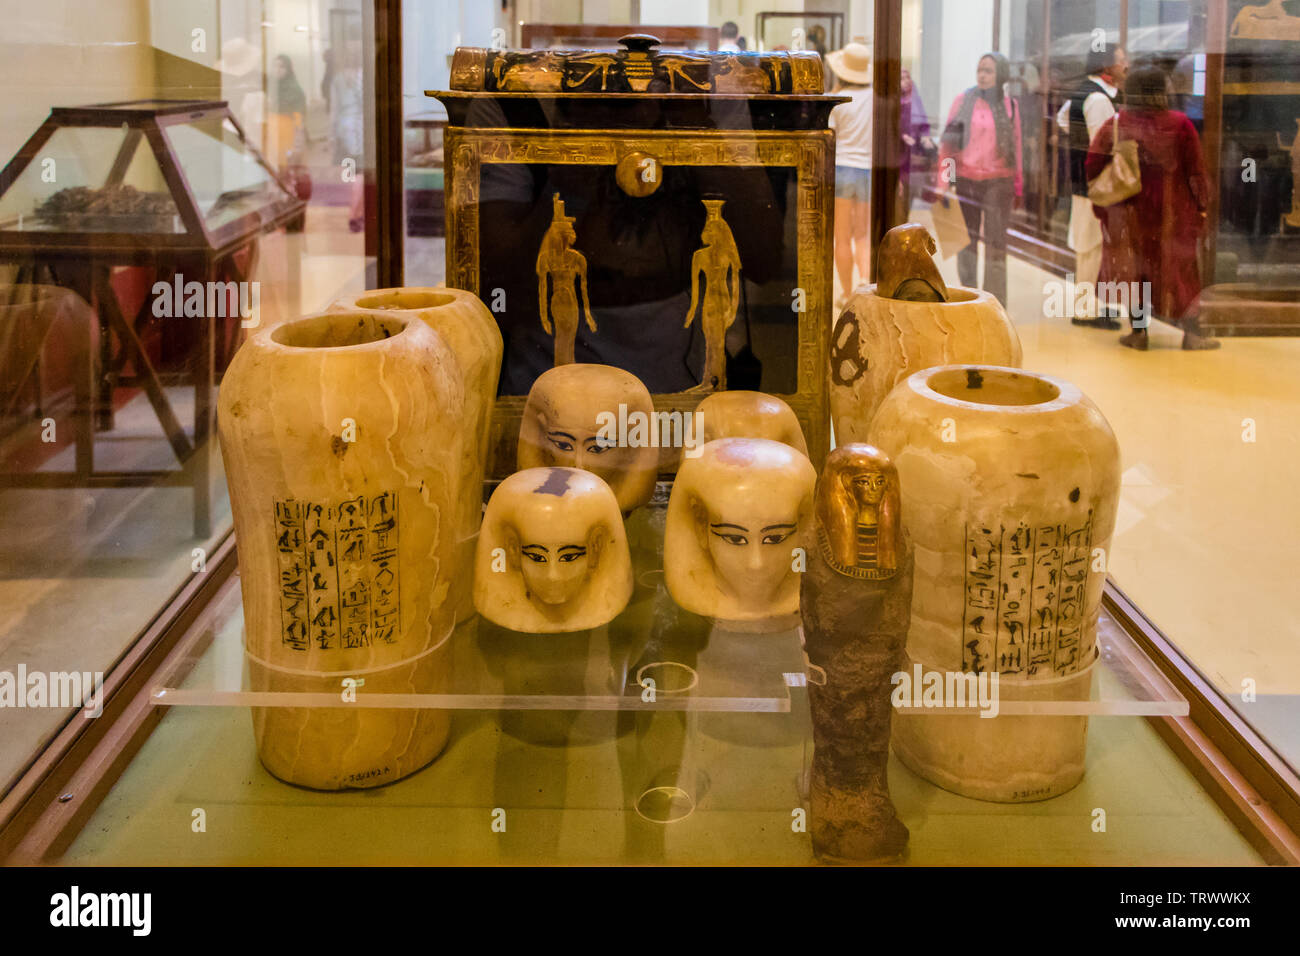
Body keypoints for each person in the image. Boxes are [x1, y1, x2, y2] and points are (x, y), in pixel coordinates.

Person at [1086, 65, 1220, 350]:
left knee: (1136, 270)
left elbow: (1092, 164)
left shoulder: (1118, 123)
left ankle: (1139, 333)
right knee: (1181, 272)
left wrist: (1106, 205)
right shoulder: (1181, 124)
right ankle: (1192, 334)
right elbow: (1195, 172)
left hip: (1130, 212)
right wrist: (1202, 208)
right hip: (1174, 212)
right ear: (1162, 90)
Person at [937, 52, 1023, 306]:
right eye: (980, 70)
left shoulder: (1011, 106)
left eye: (988, 71)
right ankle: (969, 297)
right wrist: (944, 182)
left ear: (1001, 76)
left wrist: (1018, 187)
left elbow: (1016, 148)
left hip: (999, 181)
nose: (982, 76)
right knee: (968, 242)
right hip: (966, 179)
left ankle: (993, 304)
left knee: (996, 243)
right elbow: (948, 147)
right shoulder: (963, 101)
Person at [1055, 46, 1128, 328]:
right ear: (1107, 67)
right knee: (1091, 246)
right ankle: (1085, 309)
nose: (1126, 66)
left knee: (1089, 244)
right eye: (1122, 61)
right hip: (1095, 184)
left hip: (1081, 180)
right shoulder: (1099, 100)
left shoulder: (1081, 92)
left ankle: (1090, 304)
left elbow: (1063, 119)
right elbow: (1104, 144)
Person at [827, 41, 874, 306]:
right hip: (867, 170)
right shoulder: (875, 99)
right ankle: (864, 283)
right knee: (863, 234)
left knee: (841, 236)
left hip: (842, 169)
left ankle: (846, 294)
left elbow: (830, 137)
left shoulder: (839, 101)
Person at [899, 68, 934, 217]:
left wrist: (925, 137)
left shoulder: (914, 97)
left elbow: (922, 121)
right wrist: (901, 136)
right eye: (901, 78)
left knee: (910, 194)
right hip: (898, 156)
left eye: (907, 77)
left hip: (913, 157)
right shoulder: (894, 100)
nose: (906, 81)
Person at [266, 54, 307, 170]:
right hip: (272, 134)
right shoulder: (270, 87)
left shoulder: (295, 90)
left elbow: (299, 120)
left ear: (288, 70)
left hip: (287, 134)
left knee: (287, 169)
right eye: (275, 66)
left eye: (282, 67)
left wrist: (297, 143)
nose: (277, 70)